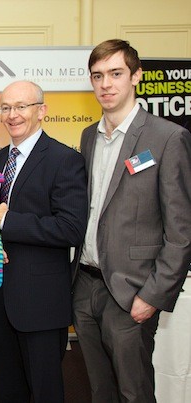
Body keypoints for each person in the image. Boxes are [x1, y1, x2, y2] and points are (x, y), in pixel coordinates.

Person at [72, 39, 191, 403]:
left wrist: (153, 295)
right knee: (99, 390)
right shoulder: (89, 136)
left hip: (132, 291)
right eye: (97, 76)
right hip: (86, 286)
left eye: (116, 74)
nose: (106, 84)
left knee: (134, 392)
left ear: (136, 76)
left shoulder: (168, 137)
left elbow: (182, 230)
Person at [0, 80, 88, 402]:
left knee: (44, 392)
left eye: (21, 106)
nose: (12, 115)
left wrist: (6, 221)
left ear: (41, 111)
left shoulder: (63, 159)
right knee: (4, 390)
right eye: (6, 107)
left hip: (40, 302)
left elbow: (70, 228)